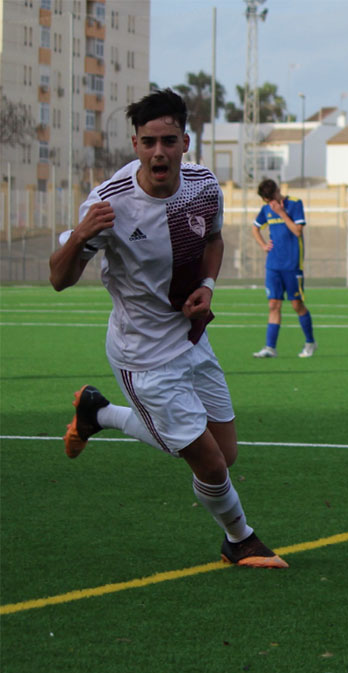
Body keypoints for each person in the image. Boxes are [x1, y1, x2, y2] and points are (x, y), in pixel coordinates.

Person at [49, 89, 287, 569]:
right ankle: (239, 540)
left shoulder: (202, 185)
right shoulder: (109, 204)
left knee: (226, 452)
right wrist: (79, 236)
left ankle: (98, 413)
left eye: (169, 140)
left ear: (185, 142)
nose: (159, 151)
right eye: (149, 141)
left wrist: (206, 284)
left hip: (193, 339)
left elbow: (214, 239)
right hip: (144, 357)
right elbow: (59, 278)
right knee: (211, 465)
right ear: (135, 144)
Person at [250, 178, 316, 358]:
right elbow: (255, 228)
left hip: (292, 265)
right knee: (273, 305)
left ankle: (310, 342)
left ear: (278, 191)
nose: (270, 202)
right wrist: (264, 245)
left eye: (272, 197)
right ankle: (270, 347)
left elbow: (297, 231)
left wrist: (281, 213)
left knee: (297, 305)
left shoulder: (295, 204)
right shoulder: (266, 210)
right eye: (266, 200)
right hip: (273, 265)